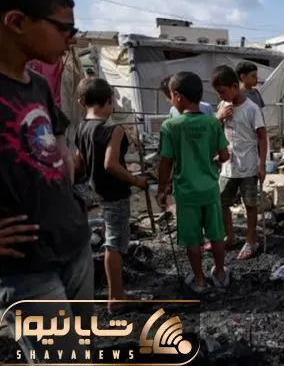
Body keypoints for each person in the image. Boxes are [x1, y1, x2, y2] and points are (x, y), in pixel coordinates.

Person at [0, 0, 93, 360]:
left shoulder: (36, 84)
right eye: (64, 28)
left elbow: (54, 142)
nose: (71, 40)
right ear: (17, 22)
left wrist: (66, 178)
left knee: (84, 349)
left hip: (74, 246)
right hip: (27, 270)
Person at [74, 77, 148, 312]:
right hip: (114, 193)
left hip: (95, 191)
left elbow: (78, 163)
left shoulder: (81, 127)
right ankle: (116, 297)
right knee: (114, 244)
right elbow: (111, 164)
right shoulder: (112, 130)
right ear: (110, 100)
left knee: (109, 238)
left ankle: (115, 291)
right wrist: (136, 180)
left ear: (81, 102)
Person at [156, 72, 230, 293]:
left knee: (193, 239)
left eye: (171, 96)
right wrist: (212, 161)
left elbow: (165, 162)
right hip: (210, 188)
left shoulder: (170, 126)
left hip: (186, 191)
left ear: (178, 97)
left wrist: (162, 190)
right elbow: (224, 155)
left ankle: (199, 280)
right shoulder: (212, 123)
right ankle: (220, 273)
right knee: (216, 234)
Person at [212, 65, 268, 260]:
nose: (221, 96)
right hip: (228, 165)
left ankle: (251, 241)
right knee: (221, 201)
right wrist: (219, 118)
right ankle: (230, 236)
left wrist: (262, 164)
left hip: (249, 165)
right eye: (218, 93)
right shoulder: (223, 107)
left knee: (250, 204)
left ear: (235, 87)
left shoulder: (251, 109)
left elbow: (262, 137)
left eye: (223, 91)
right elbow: (216, 131)